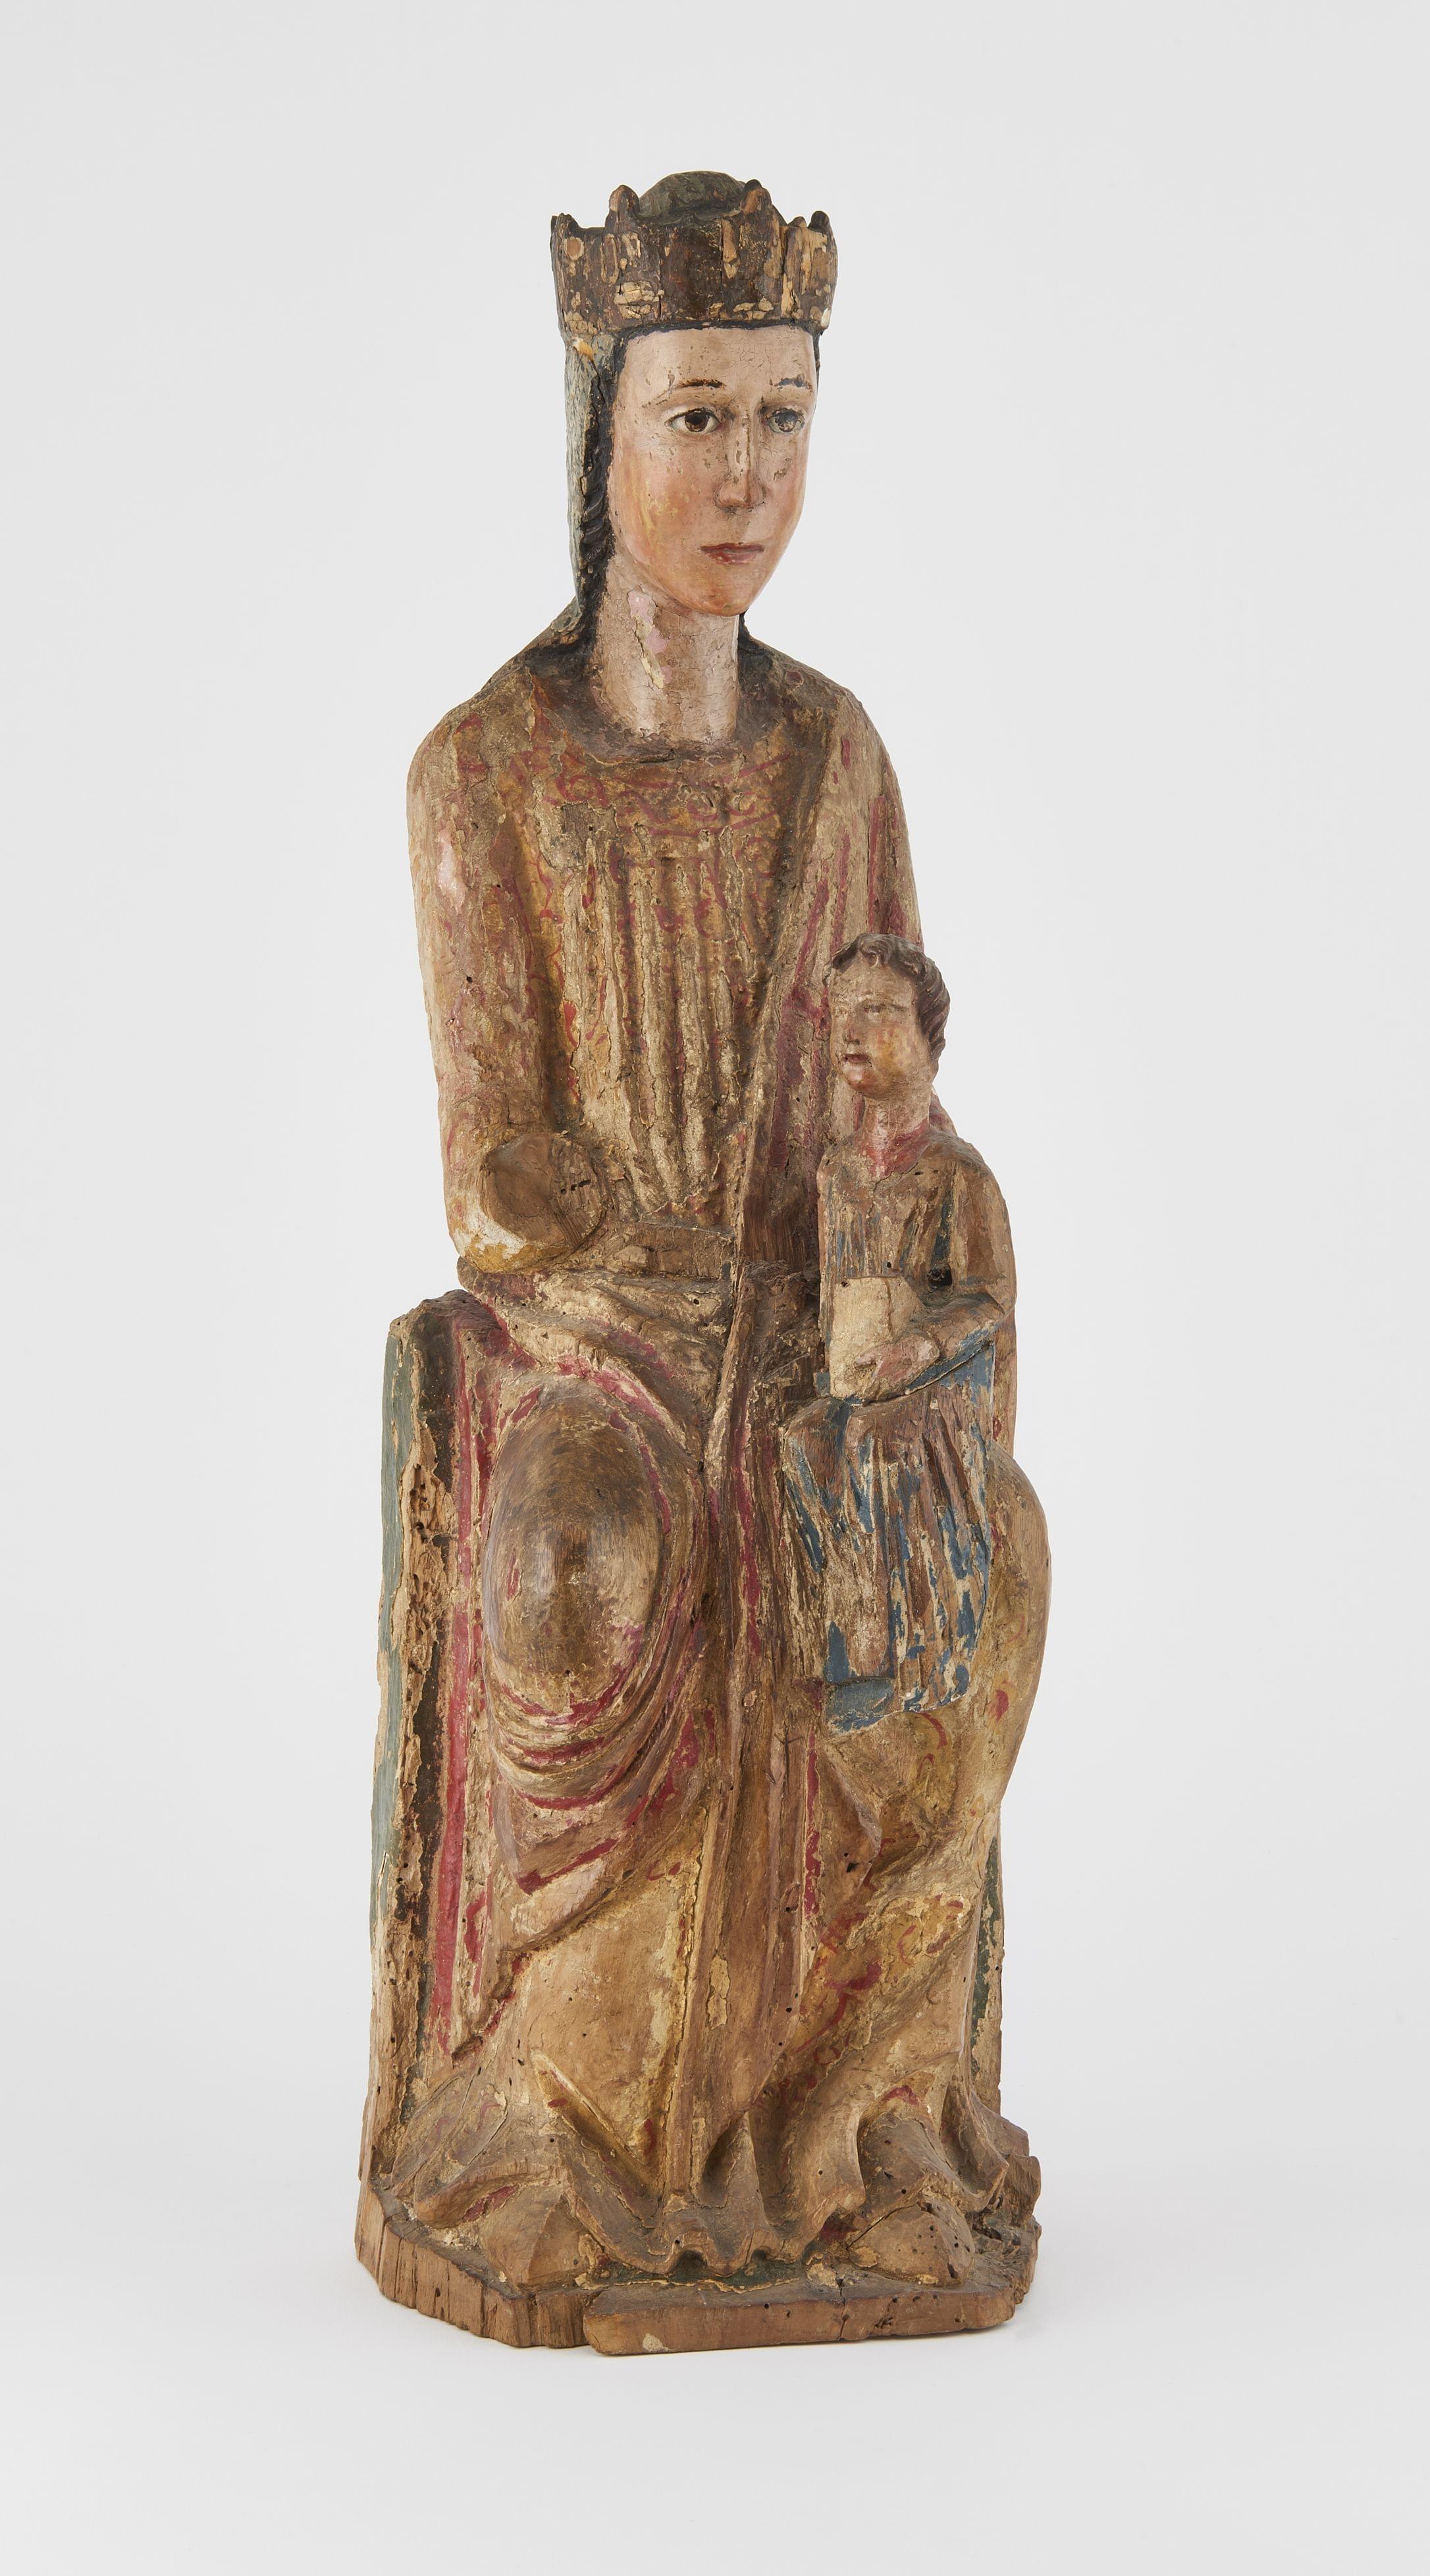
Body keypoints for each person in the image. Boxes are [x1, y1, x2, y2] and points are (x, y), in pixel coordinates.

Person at [362, 176, 1049, 2300]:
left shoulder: (835, 758)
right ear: (603, 434)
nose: (745, 472)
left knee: (953, 1565)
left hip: (808, 1323)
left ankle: (866, 2120)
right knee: (583, 1554)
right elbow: (494, 1169)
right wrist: (609, 1249)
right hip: (589, 1341)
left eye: (781, 417)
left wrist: (891, 1278)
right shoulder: (488, 769)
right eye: (696, 418)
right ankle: (552, 2114)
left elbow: (891, 1089)